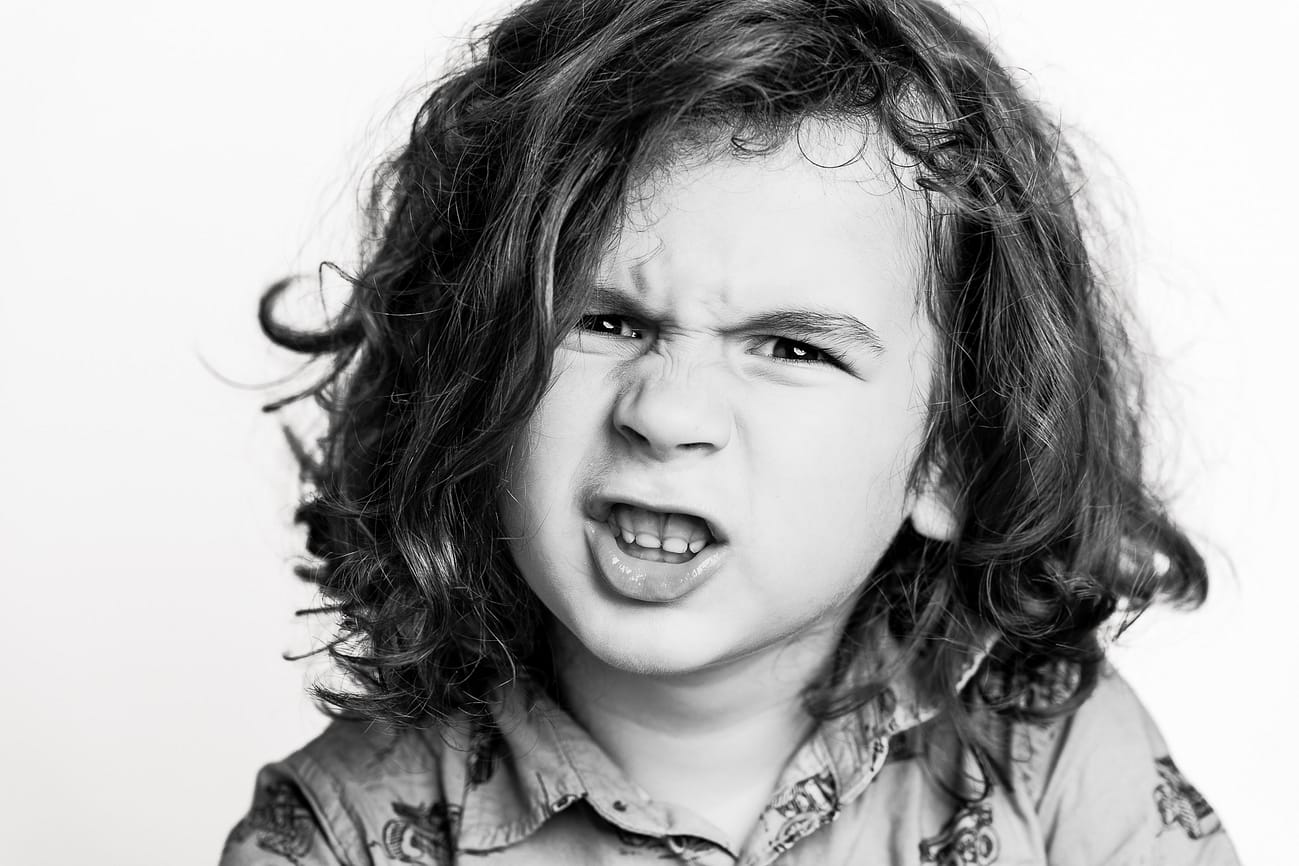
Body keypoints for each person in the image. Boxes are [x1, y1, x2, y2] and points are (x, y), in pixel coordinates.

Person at [220, 0, 1241, 863]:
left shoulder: (1052, 756)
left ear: (953, 456)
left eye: (791, 347)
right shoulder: (340, 827)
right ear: (472, 369)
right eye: (606, 321)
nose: (666, 412)